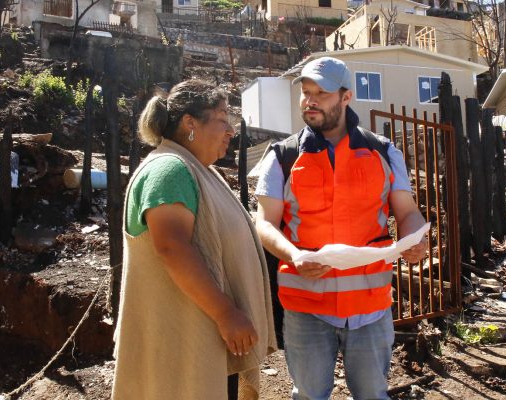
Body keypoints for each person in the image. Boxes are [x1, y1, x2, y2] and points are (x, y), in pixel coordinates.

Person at [253, 57, 428, 400]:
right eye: (306, 92)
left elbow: (408, 212)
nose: (310, 100)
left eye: (321, 93)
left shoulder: (383, 151)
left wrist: (416, 239)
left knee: (373, 395)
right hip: (306, 306)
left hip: (371, 307)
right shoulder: (282, 156)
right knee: (309, 396)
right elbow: (264, 223)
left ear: (346, 97)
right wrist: (294, 254)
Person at [111, 79, 276, 400]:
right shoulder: (169, 170)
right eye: (222, 119)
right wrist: (227, 314)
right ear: (190, 123)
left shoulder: (197, 170)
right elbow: (172, 248)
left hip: (203, 337)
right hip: (183, 342)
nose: (231, 130)